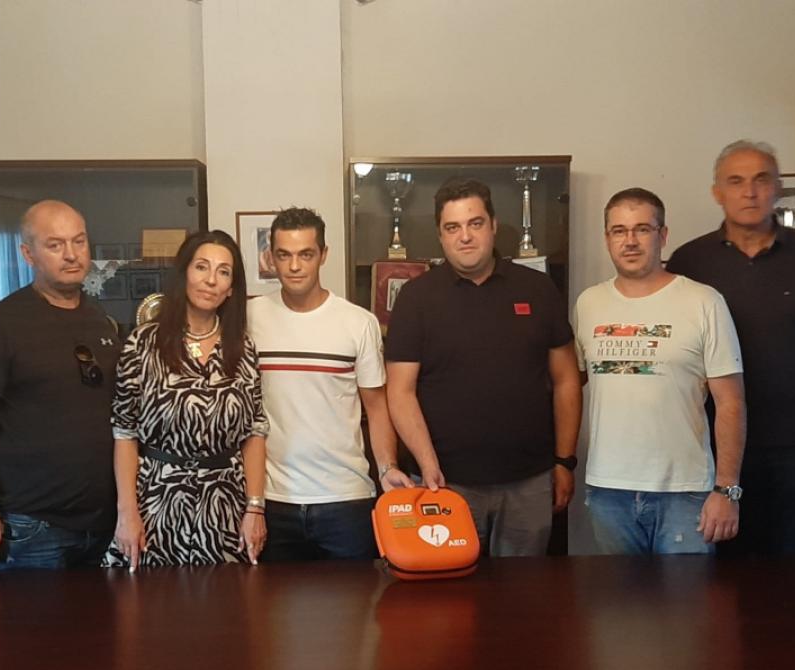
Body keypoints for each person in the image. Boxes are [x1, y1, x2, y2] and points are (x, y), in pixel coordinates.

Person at [385, 177, 582, 557]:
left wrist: (564, 461)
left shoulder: (539, 290)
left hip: (529, 481)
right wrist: (427, 464)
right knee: (451, 590)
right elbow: (400, 391)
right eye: (452, 227)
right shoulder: (416, 298)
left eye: (475, 223)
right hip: (445, 483)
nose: (465, 237)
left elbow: (566, 380)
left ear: (493, 225)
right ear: (440, 235)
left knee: (524, 589)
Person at [667, 140, 795, 555]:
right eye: (735, 181)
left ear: (778, 188)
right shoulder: (689, 262)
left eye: (761, 179)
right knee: (726, 570)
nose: (749, 192)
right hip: (715, 445)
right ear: (717, 192)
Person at [575, 188, 746, 554]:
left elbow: (730, 402)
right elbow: (569, 383)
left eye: (642, 229)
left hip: (685, 493)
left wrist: (727, 490)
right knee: (616, 595)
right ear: (607, 238)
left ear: (663, 235)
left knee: (688, 594)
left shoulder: (704, 302)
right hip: (609, 491)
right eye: (619, 231)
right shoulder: (588, 303)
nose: (630, 241)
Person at [0, 200, 120, 569]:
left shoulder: (100, 319)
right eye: (55, 245)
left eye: (79, 241)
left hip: (104, 523)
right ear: (28, 254)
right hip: (32, 527)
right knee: (27, 613)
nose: (71, 254)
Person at [248, 207, 412, 561]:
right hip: (273, 501)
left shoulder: (359, 323)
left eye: (306, 254)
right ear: (270, 258)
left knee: (357, 597)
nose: (294, 266)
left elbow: (377, 408)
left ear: (323, 255)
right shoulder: (250, 319)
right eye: (284, 255)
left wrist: (387, 467)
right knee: (270, 599)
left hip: (346, 500)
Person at [105, 230, 268, 569]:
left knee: (227, 598)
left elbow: (254, 432)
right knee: (151, 599)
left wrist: (255, 508)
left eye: (223, 272)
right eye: (201, 267)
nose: (211, 280)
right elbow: (124, 433)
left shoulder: (243, 348)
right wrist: (127, 512)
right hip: (156, 502)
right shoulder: (143, 343)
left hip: (225, 505)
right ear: (184, 274)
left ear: (231, 288)